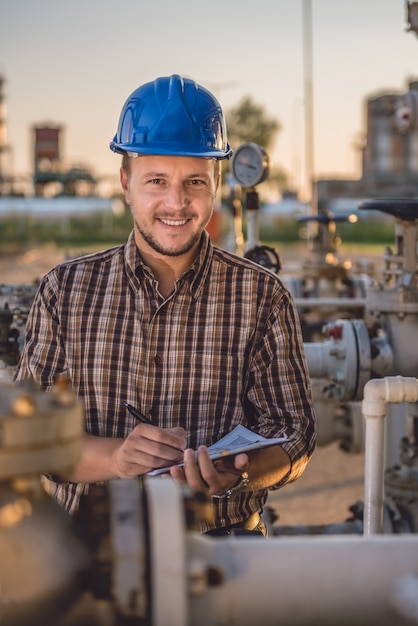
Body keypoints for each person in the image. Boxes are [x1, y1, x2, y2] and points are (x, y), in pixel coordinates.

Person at [14, 74, 316, 536]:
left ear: (216, 183)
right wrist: (116, 458)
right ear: (125, 182)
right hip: (91, 553)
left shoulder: (262, 296)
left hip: (226, 547)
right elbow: (30, 438)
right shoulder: (64, 292)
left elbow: (295, 435)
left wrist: (237, 473)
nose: (177, 203)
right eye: (157, 180)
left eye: (195, 181)